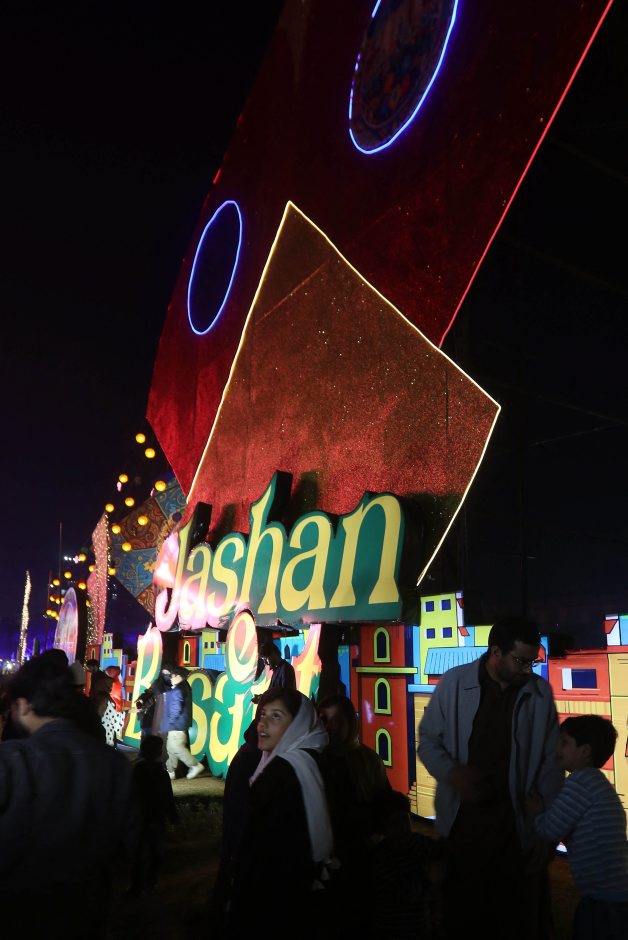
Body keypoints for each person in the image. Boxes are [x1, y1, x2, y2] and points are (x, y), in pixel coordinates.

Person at [417, 614, 564, 940]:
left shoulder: (539, 693)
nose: (528, 670)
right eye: (521, 661)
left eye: (532, 661)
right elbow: (427, 740)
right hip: (463, 830)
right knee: (464, 920)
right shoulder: (454, 683)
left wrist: (547, 833)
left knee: (513, 923)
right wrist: (453, 773)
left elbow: (551, 764)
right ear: (495, 652)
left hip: (516, 832)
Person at [0, 655, 133, 938]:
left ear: (24, 705)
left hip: (17, 913)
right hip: (86, 915)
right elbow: (128, 844)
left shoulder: (13, 760)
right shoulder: (115, 765)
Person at [224, 688, 333, 940]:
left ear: (297, 725)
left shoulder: (280, 772)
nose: (262, 724)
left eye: (276, 716)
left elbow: (256, 844)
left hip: (271, 900)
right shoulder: (312, 759)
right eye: (263, 714)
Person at [527, 715, 628, 940]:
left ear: (585, 751)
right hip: (614, 896)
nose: (557, 748)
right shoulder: (596, 782)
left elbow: (549, 830)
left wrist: (537, 812)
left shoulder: (581, 782)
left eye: (564, 742)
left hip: (603, 902)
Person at [317, 693, 391, 937]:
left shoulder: (368, 760)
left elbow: (384, 803)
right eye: (324, 719)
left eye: (336, 720)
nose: (330, 727)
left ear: (351, 722)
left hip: (362, 856)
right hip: (327, 859)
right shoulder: (316, 761)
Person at [366, 789, 446, 939]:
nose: (402, 826)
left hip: (422, 927)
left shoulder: (419, 842)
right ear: (382, 828)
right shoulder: (381, 858)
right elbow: (401, 896)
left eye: (404, 818)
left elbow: (440, 851)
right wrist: (429, 878)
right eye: (394, 823)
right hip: (395, 932)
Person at [128, 734, 179, 896]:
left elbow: (131, 794)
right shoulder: (160, 773)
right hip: (154, 818)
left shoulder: (138, 770)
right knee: (154, 852)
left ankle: (138, 886)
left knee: (141, 852)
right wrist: (173, 816)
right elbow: (168, 797)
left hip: (142, 818)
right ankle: (149, 883)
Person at [162, 664, 205, 780]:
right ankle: (170, 771)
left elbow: (176, 708)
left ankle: (195, 765)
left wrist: (169, 722)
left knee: (176, 747)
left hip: (177, 725)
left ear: (178, 676)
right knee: (170, 748)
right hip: (178, 724)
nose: (170, 678)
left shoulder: (179, 690)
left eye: (172, 676)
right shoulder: (183, 687)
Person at [251, 638, 296, 703]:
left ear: (273, 654)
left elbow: (285, 695)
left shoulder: (286, 668)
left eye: (265, 659)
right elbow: (272, 693)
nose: (265, 663)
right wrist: (261, 697)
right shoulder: (277, 670)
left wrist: (263, 698)